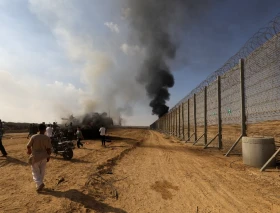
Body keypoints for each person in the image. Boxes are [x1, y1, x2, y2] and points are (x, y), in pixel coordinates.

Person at [26, 124, 52, 192]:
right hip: (43, 157)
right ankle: (39, 185)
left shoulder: (34, 137)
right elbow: (48, 149)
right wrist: (48, 156)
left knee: (35, 172)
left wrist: (29, 151)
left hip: (35, 157)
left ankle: (40, 184)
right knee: (42, 172)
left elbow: (28, 146)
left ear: (38, 129)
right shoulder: (47, 138)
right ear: (45, 130)